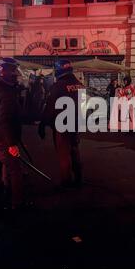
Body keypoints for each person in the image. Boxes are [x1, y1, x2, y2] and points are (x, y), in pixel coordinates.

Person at [0, 58, 24, 215]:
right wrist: (11, 145)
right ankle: (17, 204)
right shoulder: (6, 93)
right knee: (15, 171)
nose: (16, 75)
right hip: (2, 141)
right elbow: (4, 121)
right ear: (6, 73)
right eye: (13, 72)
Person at [39, 59, 84, 188]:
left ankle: (66, 181)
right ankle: (79, 177)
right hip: (75, 123)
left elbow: (50, 108)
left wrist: (43, 124)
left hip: (62, 124)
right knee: (74, 150)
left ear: (58, 70)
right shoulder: (79, 84)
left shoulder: (58, 86)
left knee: (64, 153)